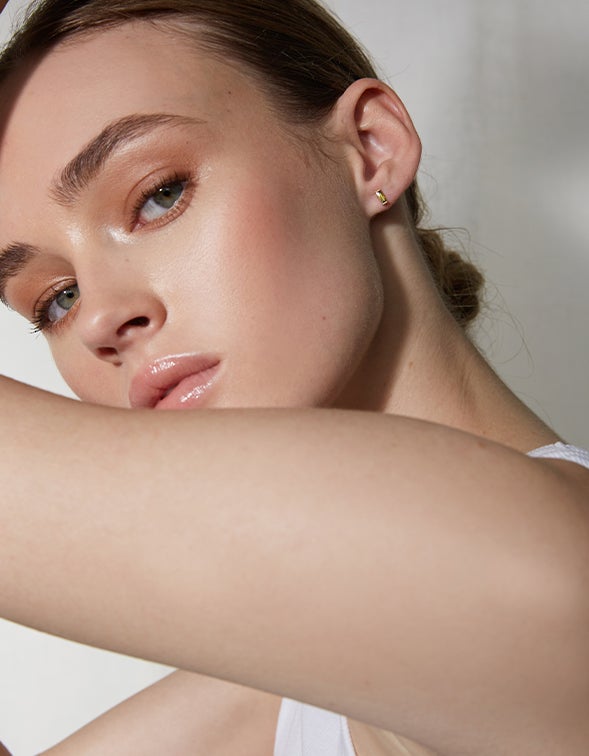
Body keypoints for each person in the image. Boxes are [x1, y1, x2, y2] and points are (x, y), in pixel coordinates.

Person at [0, 0, 588, 754]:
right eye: (57, 298)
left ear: (371, 149)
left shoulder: (542, 561)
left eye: (158, 195)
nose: (99, 319)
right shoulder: (283, 699)